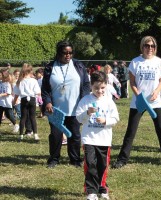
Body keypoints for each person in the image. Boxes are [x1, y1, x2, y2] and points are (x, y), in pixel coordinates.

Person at [112, 36, 161, 169]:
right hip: (138, 102)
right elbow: (133, 82)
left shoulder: (159, 62)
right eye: (147, 45)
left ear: (155, 48)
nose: (150, 48)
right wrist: (138, 95)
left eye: (152, 46)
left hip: (155, 102)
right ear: (142, 47)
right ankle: (122, 159)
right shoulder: (135, 62)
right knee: (131, 131)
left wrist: (157, 92)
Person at [42, 40, 90, 168]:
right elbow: (45, 89)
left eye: (70, 52)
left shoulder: (78, 65)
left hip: (75, 108)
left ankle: (75, 159)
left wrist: (84, 99)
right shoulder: (50, 67)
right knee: (56, 135)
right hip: (56, 109)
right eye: (65, 53)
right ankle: (54, 159)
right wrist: (47, 102)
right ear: (58, 53)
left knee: (75, 135)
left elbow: (86, 84)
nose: (68, 55)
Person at [76, 71, 119, 200]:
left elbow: (116, 118)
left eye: (102, 88)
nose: (99, 91)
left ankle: (102, 187)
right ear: (91, 86)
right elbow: (79, 118)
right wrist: (87, 113)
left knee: (102, 165)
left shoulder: (109, 101)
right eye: (96, 88)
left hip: (104, 139)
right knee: (90, 163)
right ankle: (91, 191)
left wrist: (106, 121)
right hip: (89, 138)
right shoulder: (85, 100)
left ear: (106, 86)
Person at [17, 64, 41, 142]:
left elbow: (17, 93)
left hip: (24, 99)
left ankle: (20, 135)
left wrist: (14, 102)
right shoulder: (33, 80)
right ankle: (36, 135)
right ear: (30, 71)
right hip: (32, 99)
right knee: (32, 117)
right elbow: (38, 92)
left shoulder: (20, 81)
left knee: (23, 118)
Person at [0, 69, 19, 133]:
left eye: (1, 75)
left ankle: (16, 125)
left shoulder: (7, 84)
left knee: (9, 115)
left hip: (7, 102)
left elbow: (8, 92)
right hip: (1, 102)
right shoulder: (0, 83)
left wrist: (1, 94)